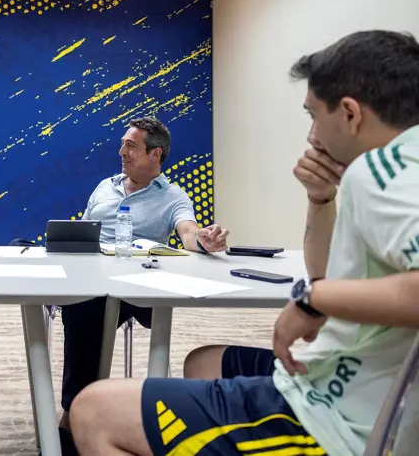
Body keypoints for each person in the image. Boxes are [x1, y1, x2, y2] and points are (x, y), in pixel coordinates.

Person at [70, 30, 419, 456]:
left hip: (333, 414)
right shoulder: (391, 169)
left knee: (92, 410)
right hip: (349, 375)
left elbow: (321, 286)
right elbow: (328, 273)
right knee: (203, 363)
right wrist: (320, 198)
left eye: (313, 116)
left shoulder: (383, 172)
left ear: (349, 113)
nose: (311, 136)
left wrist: (312, 301)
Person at [54, 116, 230, 440]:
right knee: (79, 300)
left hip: (140, 287)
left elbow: (188, 232)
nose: (122, 151)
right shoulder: (104, 187)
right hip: (94, 280)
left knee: (85, 307)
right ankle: (76, 409)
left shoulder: (173, 196)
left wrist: (203, 239)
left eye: (131, 146)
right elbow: (84, 232)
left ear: (155, 154)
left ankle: (75, 414)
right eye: (123, 144)